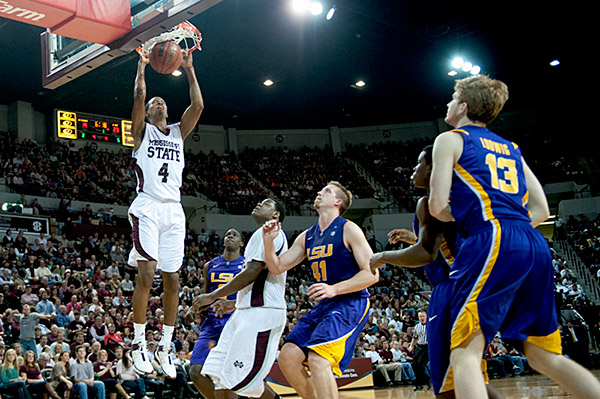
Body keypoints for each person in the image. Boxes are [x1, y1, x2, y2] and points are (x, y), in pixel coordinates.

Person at [427, 74, 600, 398]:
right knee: (544, 355)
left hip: (490, 236)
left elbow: (437, 207)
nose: (448, 104)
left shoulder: (450, 140)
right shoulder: (512, 148)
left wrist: (470, 218)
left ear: (463, 105)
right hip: (533, 242)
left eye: (452, 98)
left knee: (465, 352)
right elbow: (541, 209)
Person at [370, 145, 503, 399]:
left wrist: (383, 257)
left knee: (447, 382)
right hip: (474, 286)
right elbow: (445, 243)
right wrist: (414, 238)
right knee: (467, 375)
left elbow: (426, 254)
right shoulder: (459, 197)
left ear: (432, 168)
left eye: (418, 164)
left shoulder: (429, 202)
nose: (413, 170)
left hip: (452, 289)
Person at [262, 181, 379, 399]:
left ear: (337, 202)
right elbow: (276, 266)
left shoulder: (349, 228)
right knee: (287, 356)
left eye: (325, 191)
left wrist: (334, 289)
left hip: (350, 302)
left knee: (318, 360)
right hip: (326, 304)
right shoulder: (308, 236)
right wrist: (268, 243)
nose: (319, 192)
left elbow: (371, 274)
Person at [128, 48, 204, 379]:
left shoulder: (177, 132)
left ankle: (166, 345)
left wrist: (188, 69)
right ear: (146, 112)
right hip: (147, 206)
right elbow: (141, 93)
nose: (157, 103)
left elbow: (198, 106)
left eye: (162, 102)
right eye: (152, 103)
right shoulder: (141, 132)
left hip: (174, 211)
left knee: (172, 279)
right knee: (147, 275)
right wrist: (142, 68)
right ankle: (138, 342)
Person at [194, 198, 287, 399]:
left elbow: (252, 272)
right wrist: (235, 304)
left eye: (267, 203)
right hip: (244, 312)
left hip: (263, 313)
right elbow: (255, 280)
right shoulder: (258, 235)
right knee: (217, 373)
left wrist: (212, 296)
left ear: (276, 214)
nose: (260, 203)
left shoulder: (273, 233)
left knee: (243, 381)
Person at [189, 228, 245, 399]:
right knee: (195, 371)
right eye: (227, 234)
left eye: (235, 235)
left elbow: (253, 298)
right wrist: (195, 309)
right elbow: (207, 297)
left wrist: (234, 305)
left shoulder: (248, 265)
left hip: (236, 322)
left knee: (229, 375)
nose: (230, 236)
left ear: (241, 243)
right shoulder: (210, 265)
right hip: (212, 324)